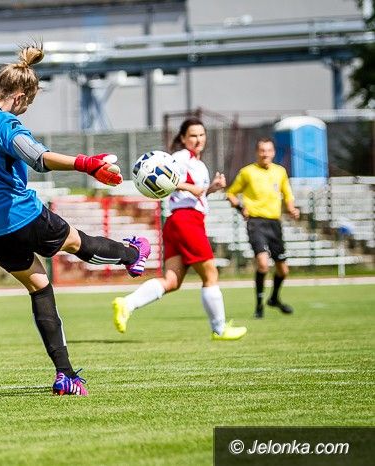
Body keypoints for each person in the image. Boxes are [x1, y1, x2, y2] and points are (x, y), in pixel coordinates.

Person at [0, 42, 151, 396]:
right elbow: (37, 157)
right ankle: (132, 255)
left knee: (39, 287)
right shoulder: (3, 121)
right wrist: (87, 164)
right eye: (25, 106)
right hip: (19, 214)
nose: (23, 112)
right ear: (18, 97)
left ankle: (65, 376)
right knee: (77, 243)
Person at [112, 117, 247, 341]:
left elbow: (195, 194)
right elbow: (160, 176)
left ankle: (127, 304)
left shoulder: (198, 164)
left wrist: (211, 189)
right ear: (183, 138)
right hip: (187, 221)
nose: (198, 139)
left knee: (172, 281)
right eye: (193, 135)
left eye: (201, 135)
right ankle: (220, 329)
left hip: (177, 221)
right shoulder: (180, 158)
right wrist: (191, 187)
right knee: (210, 274)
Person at [226, 137, 300, 318]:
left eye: (268, 150)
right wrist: (240, 208)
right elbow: (231, 193)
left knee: (283, 270)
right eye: (262, 150)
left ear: (273, 152)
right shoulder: (247, 172)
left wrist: (291, 208)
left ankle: (274, 298)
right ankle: (259, 306)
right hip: (256, 222)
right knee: (263, 263)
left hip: (274, 224)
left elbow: (288, 194)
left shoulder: (280, 172)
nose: (265, 154)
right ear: (257, 152)